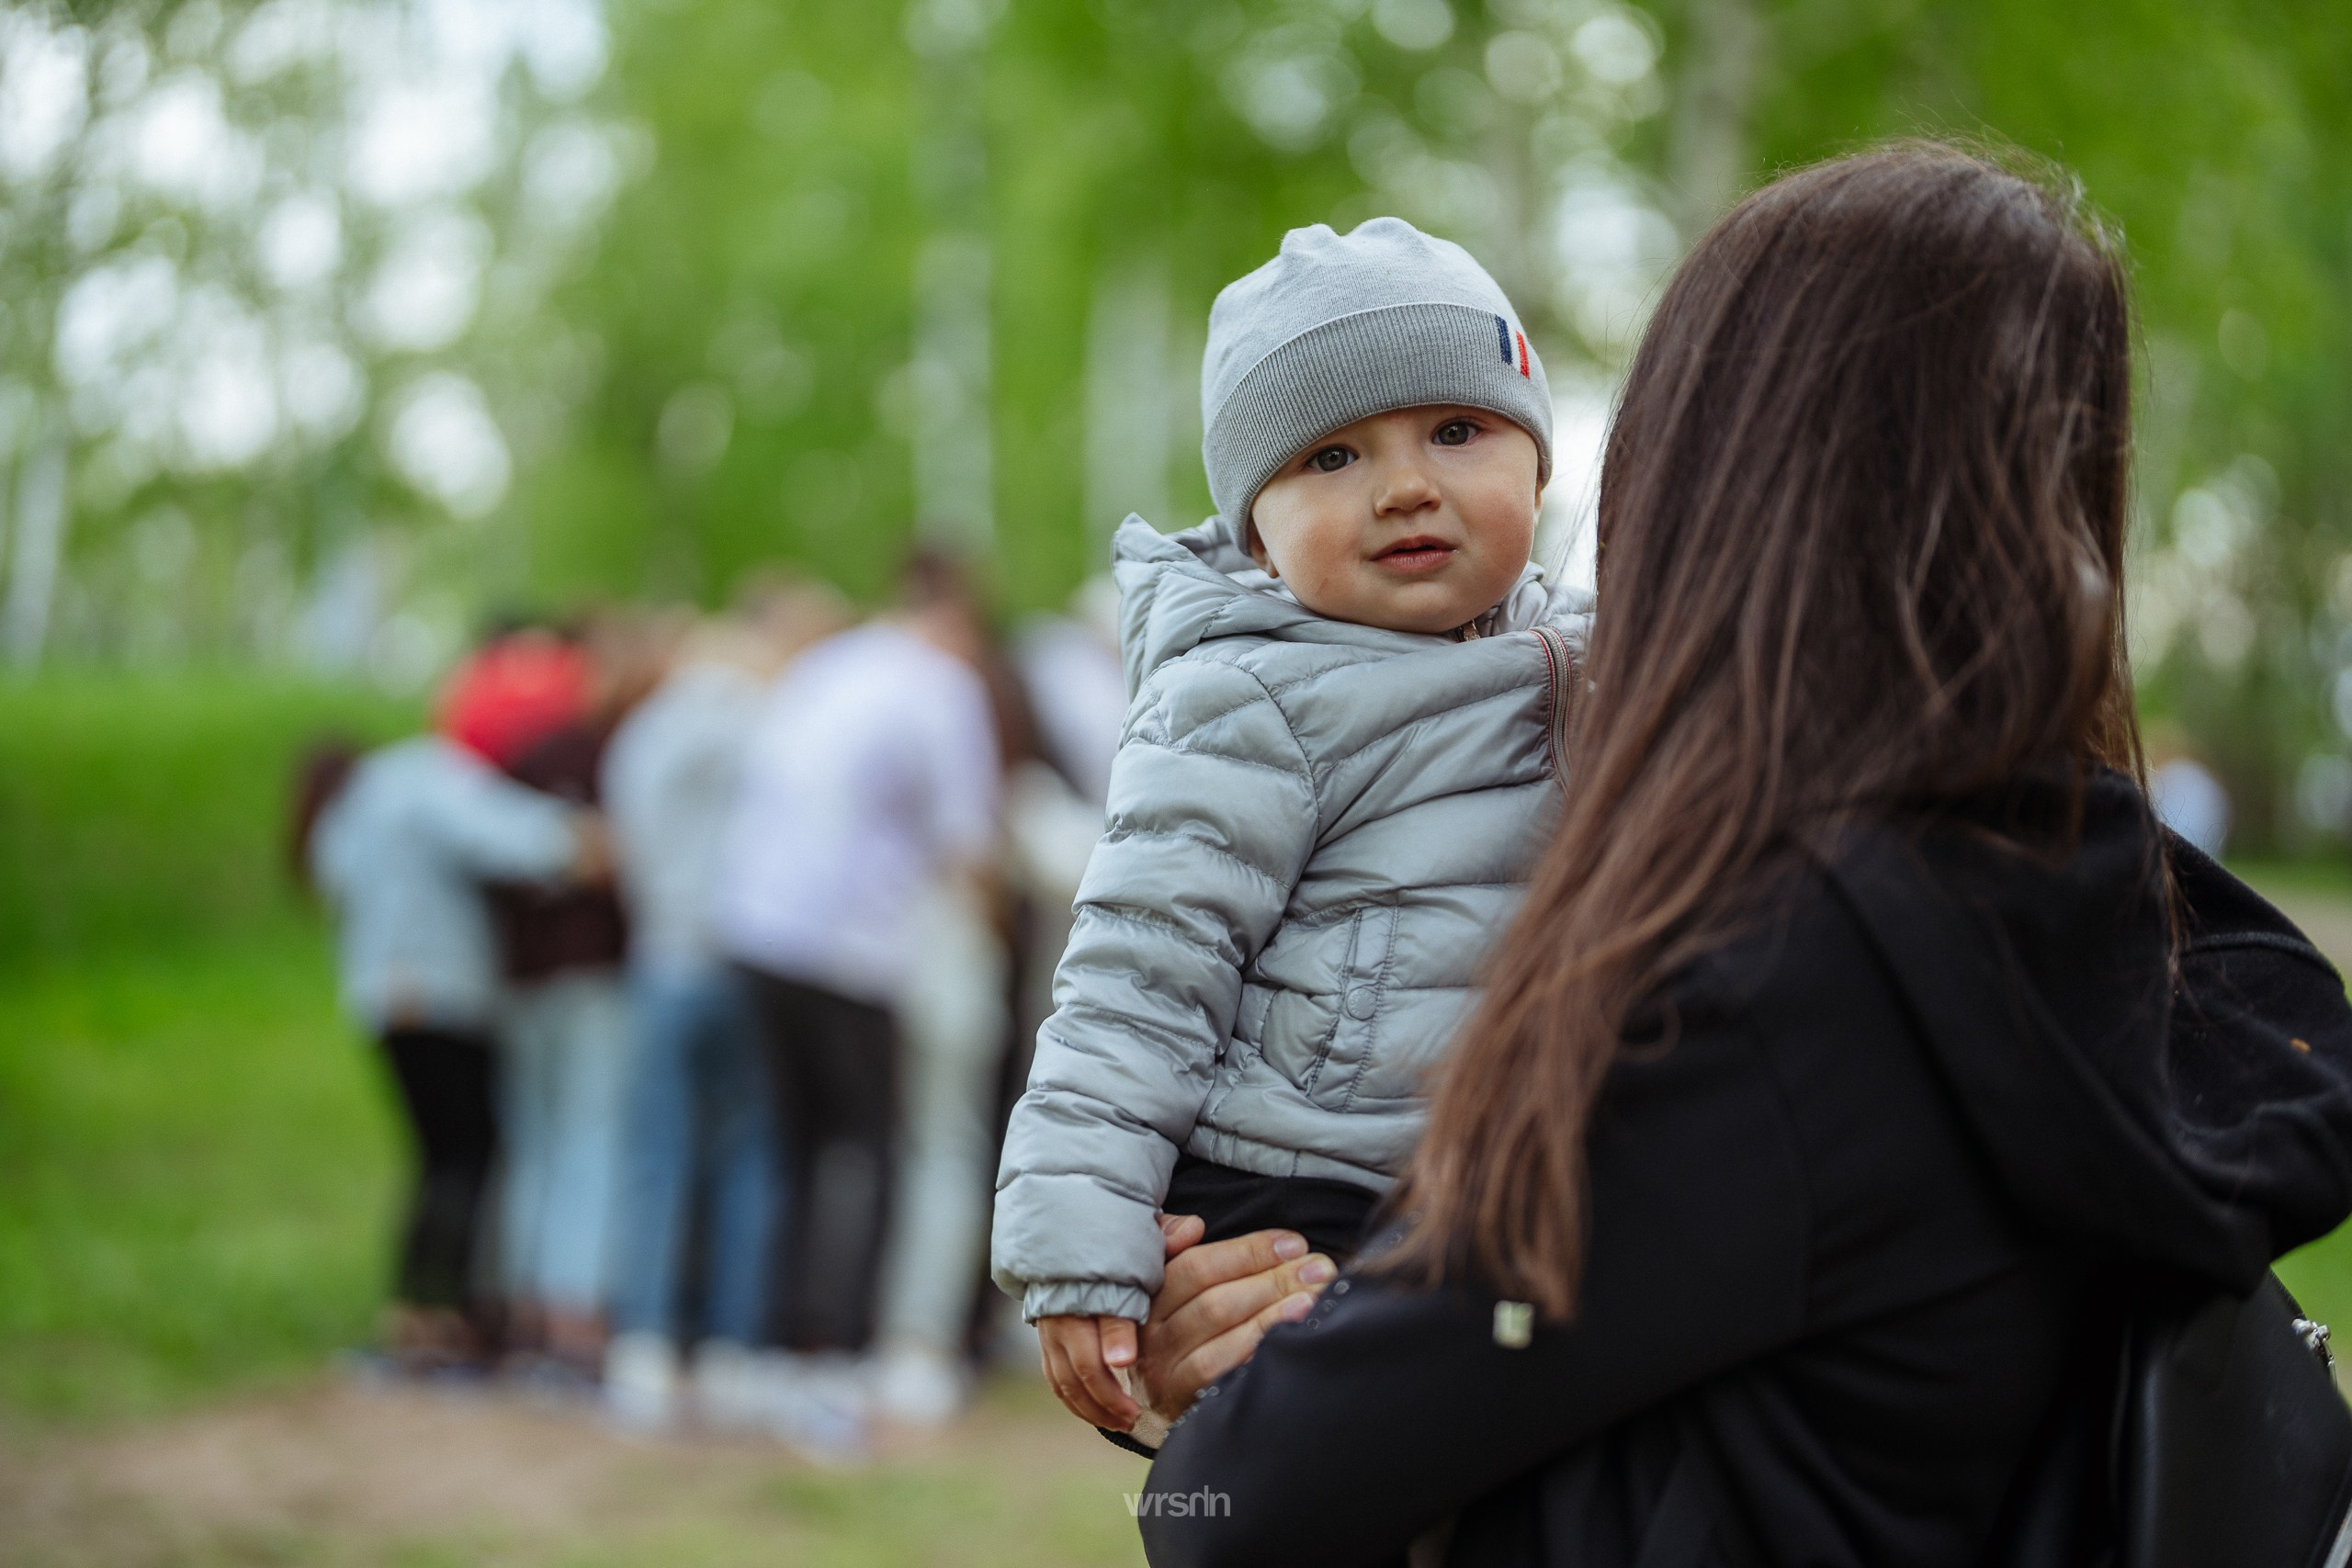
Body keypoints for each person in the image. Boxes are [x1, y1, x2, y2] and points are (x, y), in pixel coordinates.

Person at [1132, 147, 2352, 1567]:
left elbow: (1232, 1511)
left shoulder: (1773, 1000)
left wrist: (1233, 1381)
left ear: (1709, 477)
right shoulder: (2103, 907)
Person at [989, 216, 1591, 1433]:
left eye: (1457, 430)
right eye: (1330, 457)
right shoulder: (1250, 696)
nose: (1406, 483)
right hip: (1304, 1186)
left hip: (1488, 1182)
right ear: (1257, 532)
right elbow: (1138, 973)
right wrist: (1080, 1245)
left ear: (1538, 464)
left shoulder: (1597, 660)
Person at [713, 554, 1002, 1430]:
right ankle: (837, 1353)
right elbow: (969, 844)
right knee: (866, 1149)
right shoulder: (941, 687)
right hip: (851, 948)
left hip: (755, 929)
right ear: (957, 623)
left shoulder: (830, 664)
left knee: (792, 1144)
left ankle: (760, 1347)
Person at [600, 591, 849, 1430]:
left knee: (659, 1156)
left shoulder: (645, 731)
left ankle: (644, 1347)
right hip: (750, 964)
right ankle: (731, 1349)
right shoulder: (772, 724)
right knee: (751, 1159)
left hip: (665, 958)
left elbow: (624, 845)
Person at [302, 722, 599, 1371]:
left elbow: (332, 876)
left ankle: (414, 1315)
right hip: (442, 991)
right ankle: (444, 1320)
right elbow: (511, 835)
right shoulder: (424, 775)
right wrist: (584, 840)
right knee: (467, 1154)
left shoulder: (358, 802)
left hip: (380, 996)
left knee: (437, 1156)